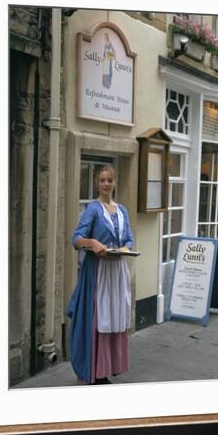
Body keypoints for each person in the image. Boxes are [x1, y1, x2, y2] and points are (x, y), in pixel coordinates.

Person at [67, 165, 133, 385]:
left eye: (109, 180)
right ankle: (93, 370)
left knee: (114, 316)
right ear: (98, 183)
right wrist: (93, 242)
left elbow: (129, 240)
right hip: (98, 272)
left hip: (117, 271)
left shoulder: (122, 210)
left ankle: (108, 367)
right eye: (102, 180)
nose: (106, 184)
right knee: (99, 317)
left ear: (114, 183)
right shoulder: (93, 209)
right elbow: (76, 238)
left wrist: (125, 249)